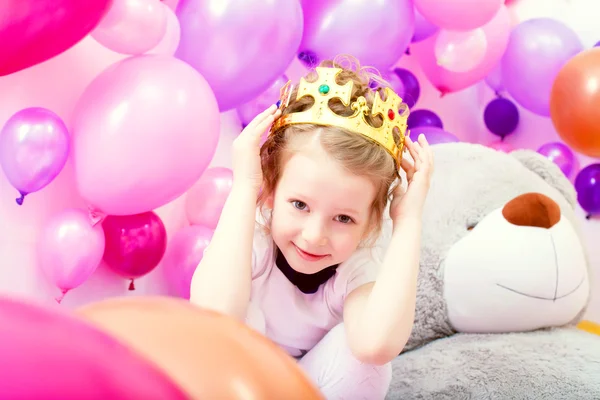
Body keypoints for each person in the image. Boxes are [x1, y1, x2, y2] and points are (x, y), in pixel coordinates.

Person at [190, 56, 434, 399]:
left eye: (344, 218)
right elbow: (212, 316)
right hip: (234, 384)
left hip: (305, 388)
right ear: (271, 191)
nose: (313, 235)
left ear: (370, 223)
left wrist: (408, 221)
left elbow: (376, 346)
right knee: (222, 330)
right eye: (300, 205)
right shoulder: (258, 236)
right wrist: (246, 185)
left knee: (363, 359)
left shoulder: (356, 267)